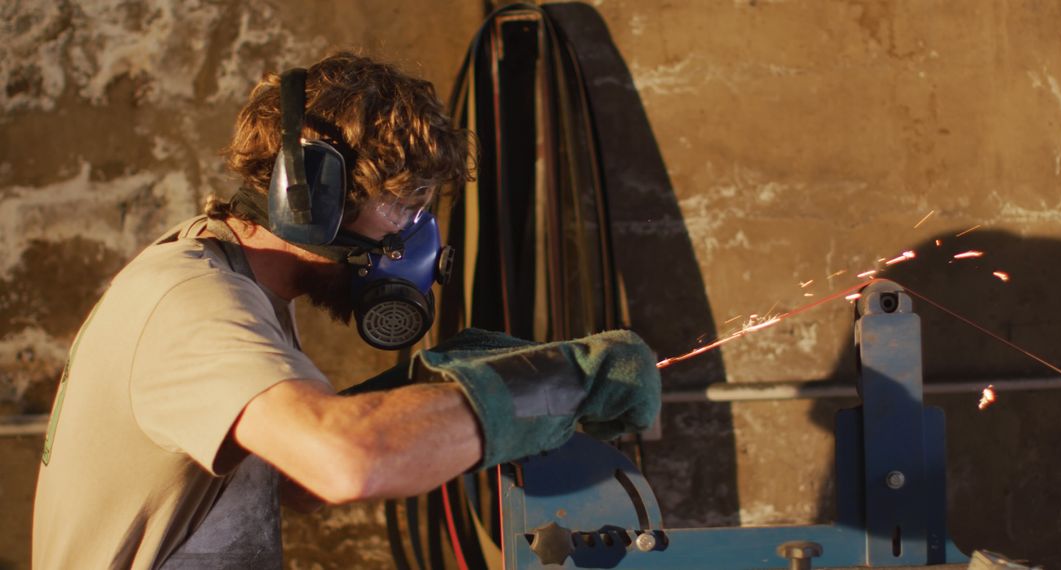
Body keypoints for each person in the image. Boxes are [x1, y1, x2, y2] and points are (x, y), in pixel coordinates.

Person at [32, 51, 660, 569]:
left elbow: (297, 481)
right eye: (405, 209)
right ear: (310, 195)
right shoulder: (192, 301)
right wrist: (554, 384)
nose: (418, 238)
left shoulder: (241, 284)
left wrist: (430, 388)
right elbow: (344, 464)